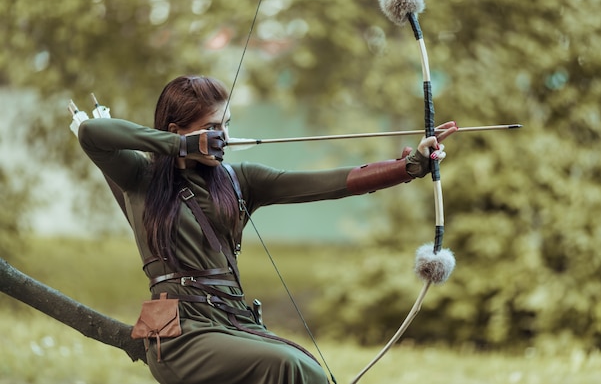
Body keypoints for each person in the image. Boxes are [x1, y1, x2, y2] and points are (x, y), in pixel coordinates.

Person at [77, 75, 457, 384]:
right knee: (289, 368)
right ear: (178, 130)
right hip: (181, 337)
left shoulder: (240, 179)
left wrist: (407, 167)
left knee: (312, 374)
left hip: (234, 324)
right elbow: (92, 133)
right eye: (211, 128)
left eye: (226, 125)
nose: (223, 136)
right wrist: (178, 146)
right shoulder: (140, 177)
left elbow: (330, 183)